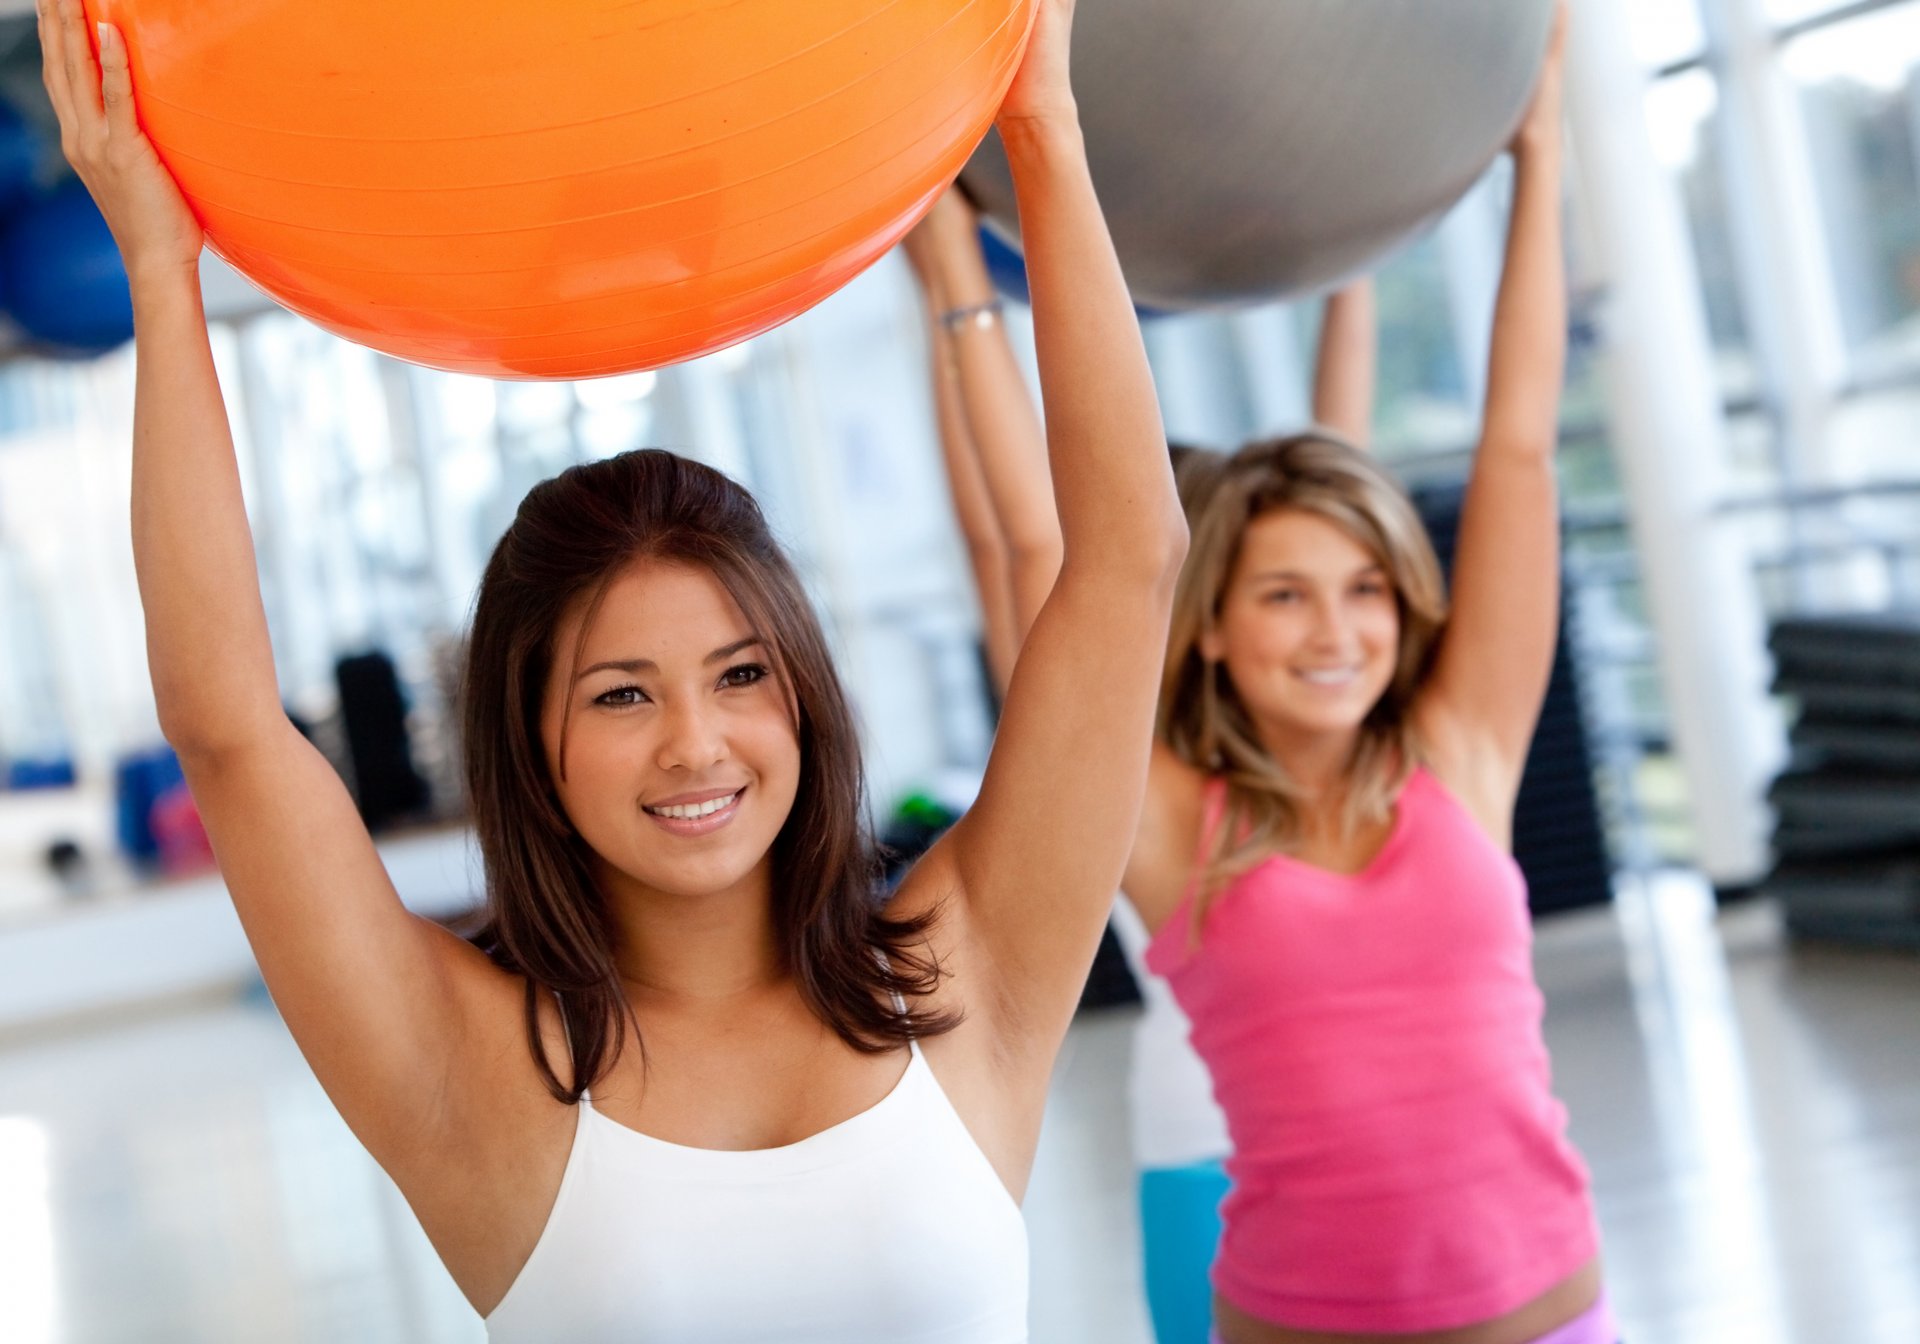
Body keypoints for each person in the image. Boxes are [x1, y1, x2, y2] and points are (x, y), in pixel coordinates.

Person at [39, 0, 1185, 1337]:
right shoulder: (463, 1065)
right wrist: (161, 274)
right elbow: (230, 730)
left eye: (740, 676)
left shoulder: (970, 969)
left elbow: (1127, 564)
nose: (696, 742)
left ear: (804, 702)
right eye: (622, 694)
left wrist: (1041, 126)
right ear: (534, 745)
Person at [1129, 13, 1614, 1344]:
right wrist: (977, 266)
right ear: (1211, 627)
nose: (1338, 633)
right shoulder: (1166, 820)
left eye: (1367, 592)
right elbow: (1030, 558)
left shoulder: (1464, 749)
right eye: (1286, 596)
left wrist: (1539, 154)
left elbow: (1519, 448)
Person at [902, 185, 1377, 1344]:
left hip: (1323, 1152)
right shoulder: (1121, 773)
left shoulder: (1310, 732)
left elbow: (1343, 478)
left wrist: (1368, 219)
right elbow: (1012, 538)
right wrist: (951, 290)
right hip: (1209, 1161)